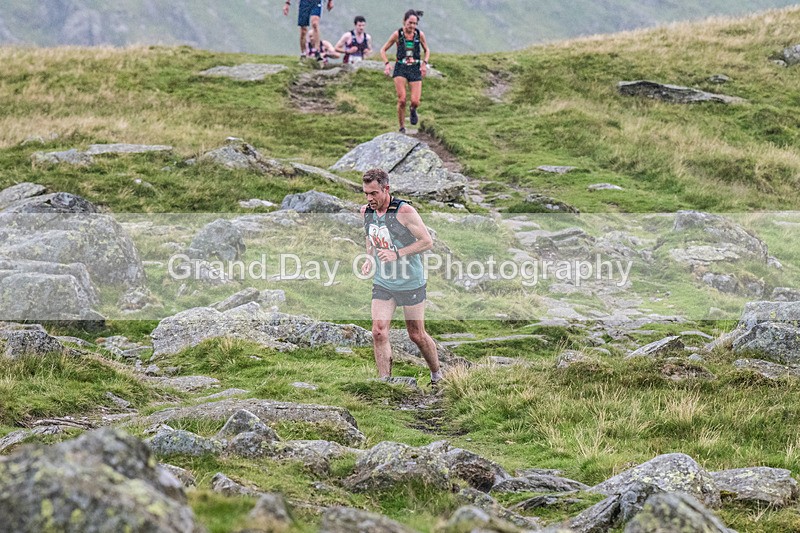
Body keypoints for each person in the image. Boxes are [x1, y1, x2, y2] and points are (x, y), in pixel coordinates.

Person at [360, 168, 443, 385]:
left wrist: (397, 253)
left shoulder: (404, 211)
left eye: (374, 193)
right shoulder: (366, 212)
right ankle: (385, 384)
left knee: (416, 335)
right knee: (378, 331)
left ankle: (437, 376)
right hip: (384, 282)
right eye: (366, 193)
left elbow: (427, 241)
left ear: (386, 189)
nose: (370, 198)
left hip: (410, 282)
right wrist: (369, 258)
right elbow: (371, 238)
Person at [379, 9, 430, 133]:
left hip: (414, 68)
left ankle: (413, 110)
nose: (412, 26)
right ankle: (402, 127)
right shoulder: (397, 34)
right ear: (404, 21)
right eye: (409, 23)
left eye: (414, 24)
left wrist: (424, 64)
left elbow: (427, 50)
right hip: (401, 67)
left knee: (415, 101)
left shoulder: (419, 34)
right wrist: (386, 64)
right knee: (402, 99)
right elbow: (383, 50)